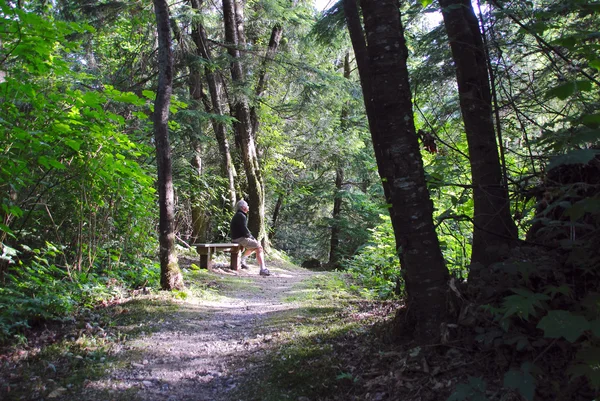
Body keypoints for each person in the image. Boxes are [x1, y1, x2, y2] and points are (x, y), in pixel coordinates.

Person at [230, 200, 270, 276]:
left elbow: (243, 229)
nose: (248, 207)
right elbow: (244, 230)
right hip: (239, 238)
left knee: (253, 246)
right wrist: (252, 238)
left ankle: (242, 260)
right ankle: (263, 269)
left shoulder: (239, 215)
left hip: (237, 237)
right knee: (259, 247)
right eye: (247, 205)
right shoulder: (241, 216)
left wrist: (251, 238)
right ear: (243, 207)